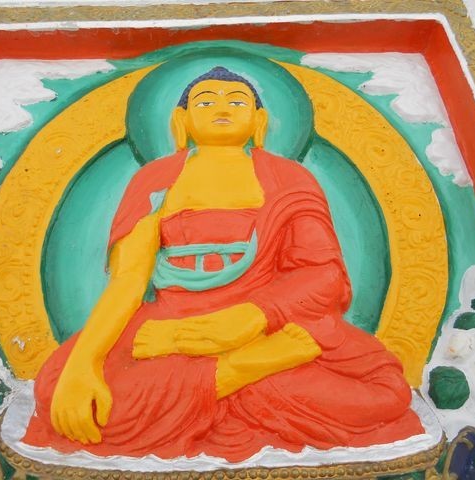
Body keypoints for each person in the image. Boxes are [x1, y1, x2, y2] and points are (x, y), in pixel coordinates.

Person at [23, 67, 423, 462]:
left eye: (237, 101)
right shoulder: (156, 179)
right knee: (57, 390)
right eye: (205, 101)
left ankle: (212, 385)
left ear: (259, 121)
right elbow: (129, 279)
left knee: (387, 394)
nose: (222, 107)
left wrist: (250, 317)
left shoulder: (289, 178)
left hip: (265, 322)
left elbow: (325, 276)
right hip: (171, 322)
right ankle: (239, 371)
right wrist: (85, 362)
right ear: (181, 121)